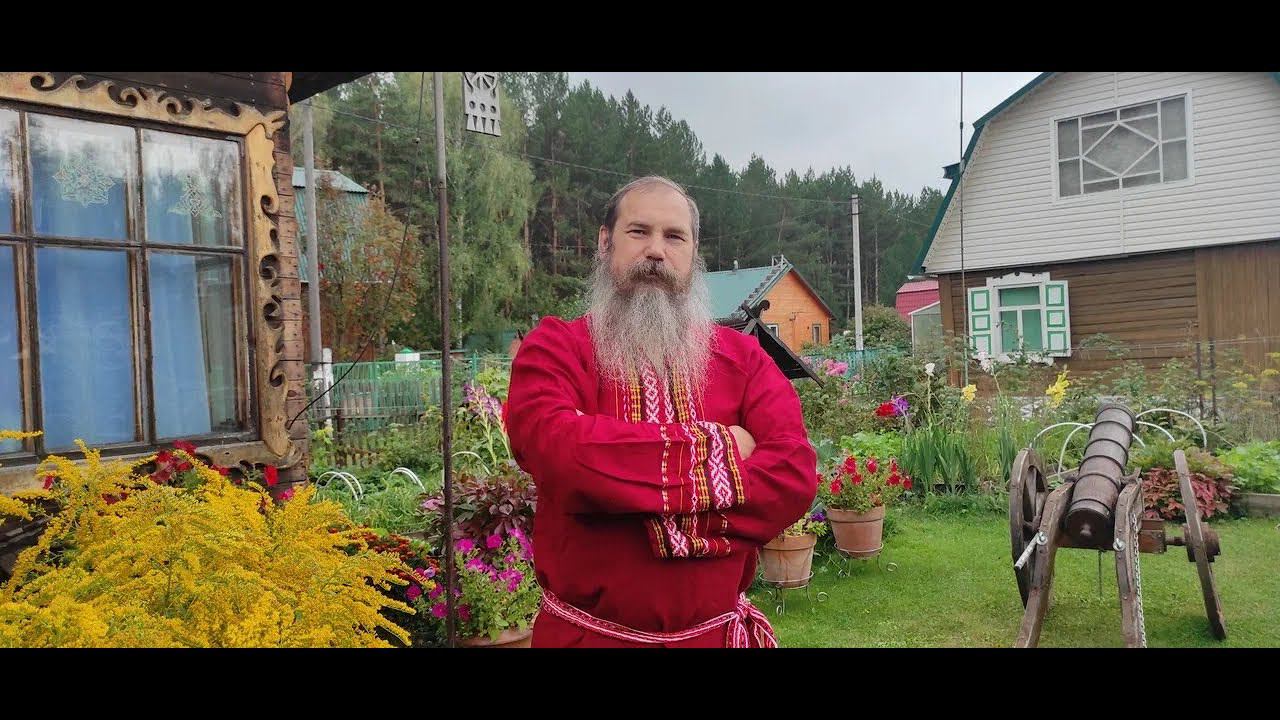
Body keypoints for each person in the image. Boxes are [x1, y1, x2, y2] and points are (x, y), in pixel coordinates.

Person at [504, 176, 818, 648]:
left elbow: (792, 477)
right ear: (605, 242)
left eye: (674, 236)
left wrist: (621, 496)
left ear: (693, 254)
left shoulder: (745, 359)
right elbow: (561, 456)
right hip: (588, 639)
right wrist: (723, 446)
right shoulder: (555, 348)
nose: (656, 250)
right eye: (638, 232)